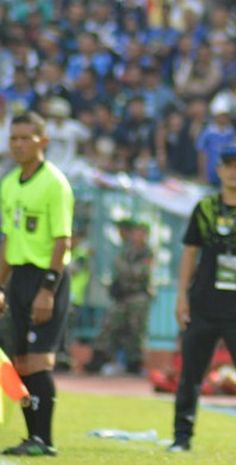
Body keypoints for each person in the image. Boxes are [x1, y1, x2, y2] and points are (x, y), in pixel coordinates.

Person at [168, 144, 236, 455]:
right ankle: (181, 437)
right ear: (218, 170)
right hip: (203, 305)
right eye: (227, 165)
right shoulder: (204, 209)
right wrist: (181, 298)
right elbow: (189, 253)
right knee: (190, 374)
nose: (233, 171)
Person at [0, 112, 74, 456]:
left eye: (25, 138)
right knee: (20, 361)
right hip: (19, 278)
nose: (17, 144)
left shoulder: (55, 183)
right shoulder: (10, 183)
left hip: (47, 279)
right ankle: (34, 438)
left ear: (43, 142)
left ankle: (45, 439)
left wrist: (48, 289)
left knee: (40, 362)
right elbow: (7, 241)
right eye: (13, 138)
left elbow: (63, 240)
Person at [84, 220, 154, 375]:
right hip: (123, 296)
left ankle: (134, 363)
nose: (137, 236)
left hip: (138, 297)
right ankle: (100, 358)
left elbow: (140, 272)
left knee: (136, 331)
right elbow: (119, 268)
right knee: (109, 326)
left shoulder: (147, 252)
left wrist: (125, 271)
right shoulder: (126, 250)